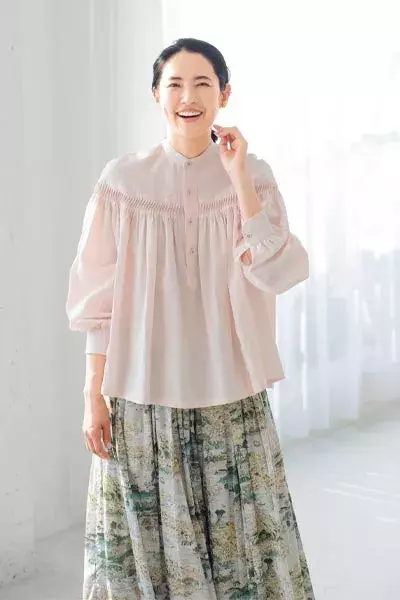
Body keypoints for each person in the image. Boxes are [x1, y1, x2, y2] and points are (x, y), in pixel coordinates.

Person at [66, 37, 314, 600]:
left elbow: (277, 269)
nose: (188, 96)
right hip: (141, 398)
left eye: (203, 83)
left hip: (231, 393)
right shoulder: (123, 182)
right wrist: (92, 394)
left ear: (224, 95)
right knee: (143, 550)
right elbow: (99, 301)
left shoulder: (253, 175)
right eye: (175, 84)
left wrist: (239, 178)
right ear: (156, 95)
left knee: (244, 547)